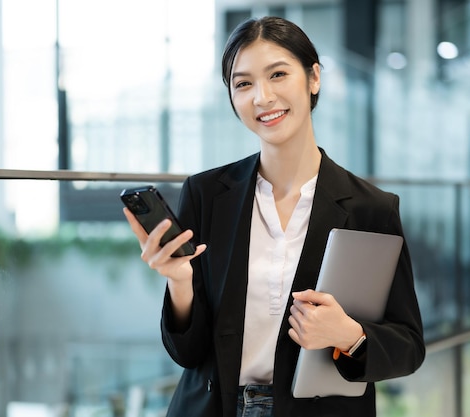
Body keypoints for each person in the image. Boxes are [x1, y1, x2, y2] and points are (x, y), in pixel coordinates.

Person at [124, 16, 425, 417]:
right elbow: (187, 353)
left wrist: (349, 335)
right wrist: (180, 285)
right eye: (243, 83)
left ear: (313, 77)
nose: (262, 97)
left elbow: (408, 345)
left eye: (277, 74)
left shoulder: (372, 208)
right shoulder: (206, 194)